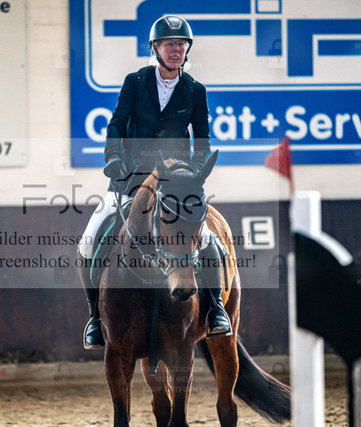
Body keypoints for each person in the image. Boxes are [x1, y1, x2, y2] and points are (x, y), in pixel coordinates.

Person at [77, 15, 232, 350]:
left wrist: (193, 172)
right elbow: (117, 125)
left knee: (207, 239)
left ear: (187, 50)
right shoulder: (135, 82)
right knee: (89, 241)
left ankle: (216, 307)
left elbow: (203, 141)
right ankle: (95, 316)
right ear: (156, 49)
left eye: (181, 45)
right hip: (130, 180)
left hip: (176, 184)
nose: (176, 50)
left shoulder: (195, 91)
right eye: (169, 44)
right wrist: (113, 158)